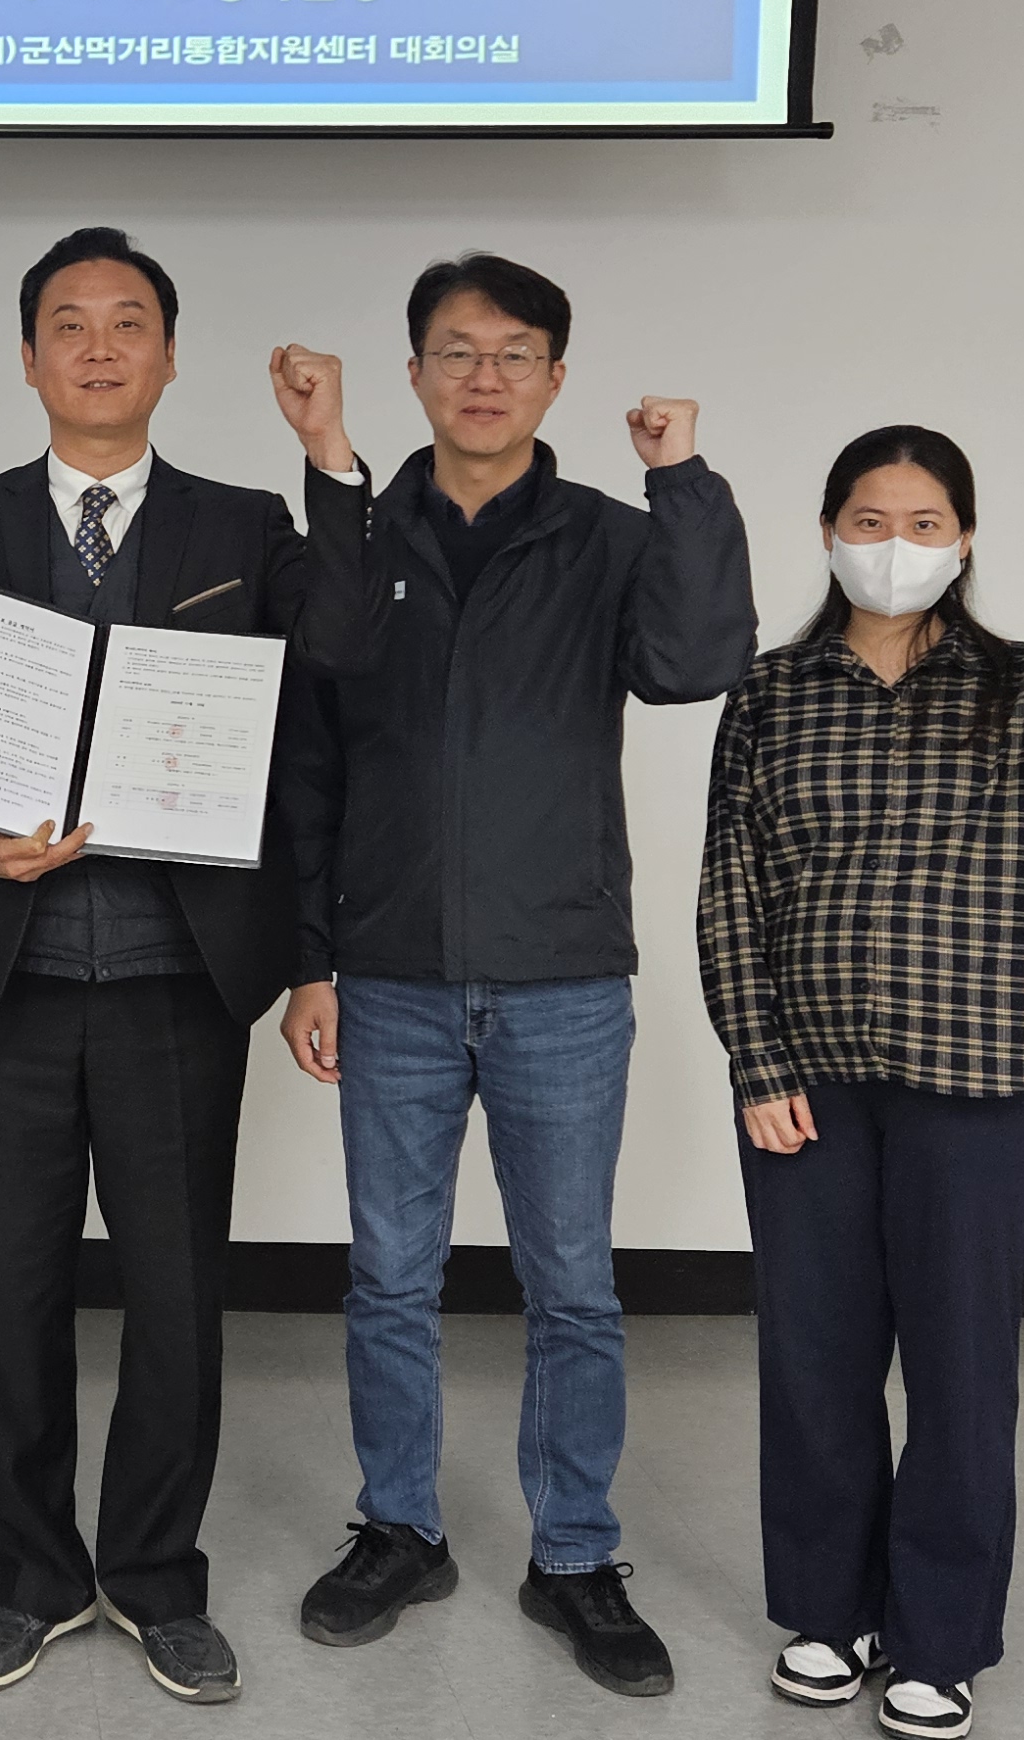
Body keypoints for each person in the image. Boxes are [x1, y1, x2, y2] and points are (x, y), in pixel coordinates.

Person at [0, 226, 375, 1706]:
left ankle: (154, 1576)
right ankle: (31, 1575)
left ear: (167, 356)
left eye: (129, 322)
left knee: (176, 1292)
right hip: (7, 976)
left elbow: (342, 664)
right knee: (7, 1288)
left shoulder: (244, 526)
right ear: (29, 358)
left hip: (177, 975)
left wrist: (330, 457)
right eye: (71, 324)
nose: (100, 347)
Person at [273, 252, 753, 1694]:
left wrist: (683, 480)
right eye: (457, 351)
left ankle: (576, 1555)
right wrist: (311, 961)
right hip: (393, 970)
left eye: (516, 353)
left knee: (575, 1287)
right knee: (389, 1278)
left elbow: (695, 660)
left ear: (556, 378)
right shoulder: (363, 533)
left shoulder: (608, 535)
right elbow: (314, 742)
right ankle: (400, 1529)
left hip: (560, 972)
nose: (485, 378)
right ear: (416, 371)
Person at [697, 427, 1024, 1740]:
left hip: (983, 1078)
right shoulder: (772, 693)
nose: (893, 545)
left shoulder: (1021, 685)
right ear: (828, 530)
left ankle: (939, 1639)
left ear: (962, 541)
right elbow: (732, 885)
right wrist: (757, 1059)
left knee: (961, 1372)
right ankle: (828, 1614)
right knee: (816, 1358)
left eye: (922, 523)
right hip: (811, 1084)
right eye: (869, 518)